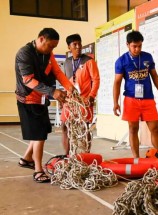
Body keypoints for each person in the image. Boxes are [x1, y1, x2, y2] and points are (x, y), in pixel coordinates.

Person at [15, 28, 74, 183]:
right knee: (39, 135)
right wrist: (52, 92)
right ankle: (38, 170)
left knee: (41, 131)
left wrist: (69, 86)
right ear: (41, 39)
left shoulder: (48, 54)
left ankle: (26, 159)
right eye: (50, 46)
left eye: (54, 47)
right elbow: (28, 80)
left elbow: (57, 72)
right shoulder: (24, 54)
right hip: (27, 100)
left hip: (40, 99)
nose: (51, 50)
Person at [112, 30, 158, 158]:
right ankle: (136, 159)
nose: (137, 49)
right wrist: (116, 103)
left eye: (139, 46)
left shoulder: (147, 57)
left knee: (154, 128)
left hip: (148, 98)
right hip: (131, 99)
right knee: (133, 129)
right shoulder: (121, 61)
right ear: (127, 44)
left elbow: (154, 76)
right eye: (134, 46)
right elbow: (117, 83)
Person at [61, 34, 100, 155]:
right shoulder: (67, 62)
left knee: (85, 127)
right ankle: (67, 155)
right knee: (64, 126)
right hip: (70, 100)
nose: (78, 47)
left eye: (79, 44)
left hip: (84, 100)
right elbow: (65, 80)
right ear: (69, 47)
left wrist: (92, 96)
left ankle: (86, 153)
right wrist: (63, 97)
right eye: (75, 45)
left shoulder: (89, 61)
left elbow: (96, 79)